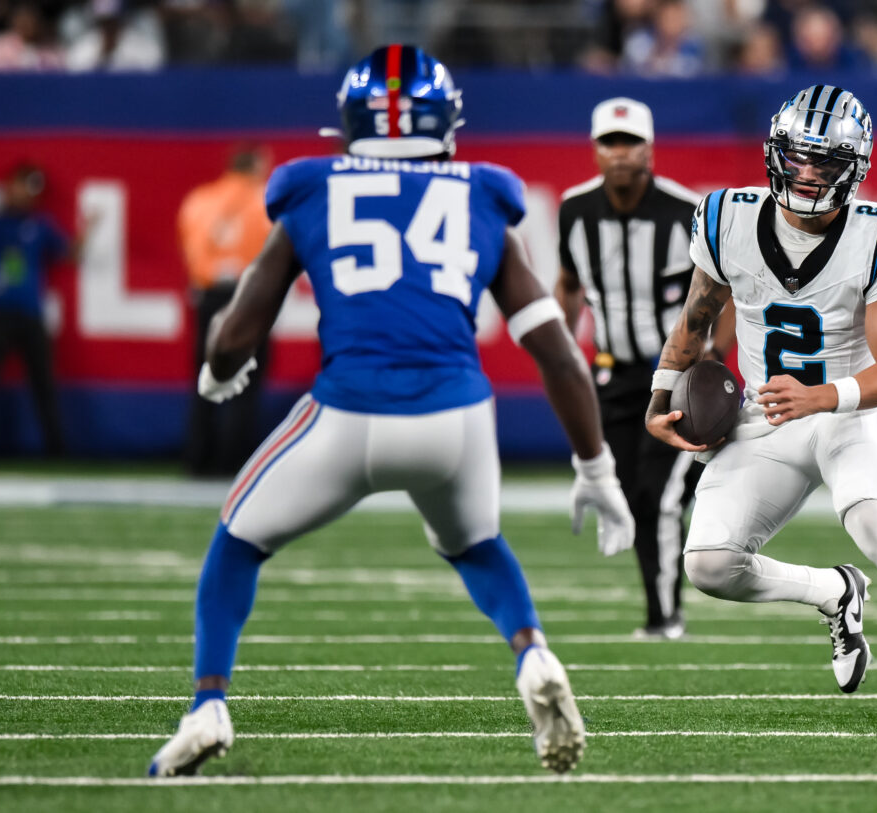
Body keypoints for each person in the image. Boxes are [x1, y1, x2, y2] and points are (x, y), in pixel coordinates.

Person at [148, 45, 636, 778]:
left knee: (237, 542)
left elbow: (237, 331)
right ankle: (531, 651)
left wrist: (220, 374)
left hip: (347, 413)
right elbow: (560, 355)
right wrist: (596, 467)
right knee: (474, 543)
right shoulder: (481, 195)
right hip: (456, 419)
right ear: (446, 121)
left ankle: (208, 702)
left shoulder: (309, 187)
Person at [645, 85, 877, 719]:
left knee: (871, 519)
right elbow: (697, 320)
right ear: (774, 155)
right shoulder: (725, 217)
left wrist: (823, 396)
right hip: (767, 417)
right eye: (798, 158)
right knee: (707, 565)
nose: (809, 175)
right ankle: (832, 591)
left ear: (856, 169)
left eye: (827, 163)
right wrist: (659, 394)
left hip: (846, 413)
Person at [555, 97, 732, 640]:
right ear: (595, 149)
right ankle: (663, 606)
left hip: (674, 380)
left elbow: (725, 296)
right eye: (610, 142)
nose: (620, 153)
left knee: (657, 497)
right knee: (630, 495)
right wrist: (562, 351)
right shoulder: (575, 210)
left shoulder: (687, 211)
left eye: (630, 142)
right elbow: (567, 284)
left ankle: (664, 618)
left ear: (650, 149)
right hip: (610, 375)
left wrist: (712, 363)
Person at [177, 143, 273, 477]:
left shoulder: (200, 200)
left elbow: (189, 246)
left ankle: (197, 459)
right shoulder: (264, 198)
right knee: (245, 383)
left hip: (210, 296)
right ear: (256, 165)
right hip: (249, 295)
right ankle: (233, 461)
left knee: (207, 376)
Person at [0, 163, 69, 456]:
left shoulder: (40, 225)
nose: (28, 194)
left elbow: (67, 252)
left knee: (44, 384)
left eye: (33, 189)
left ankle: (57, 449)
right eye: (24, 186)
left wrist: (89, 230)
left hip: (30, 313)